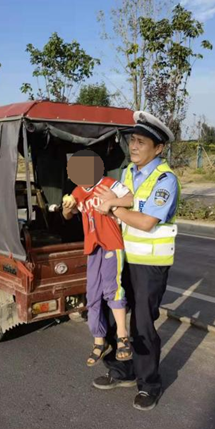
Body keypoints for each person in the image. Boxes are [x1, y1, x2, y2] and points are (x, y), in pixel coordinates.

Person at [92, 111, 180, 411]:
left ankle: (149, 384)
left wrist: (112, 210)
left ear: (159, 148)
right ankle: (122, 369)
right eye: (132, 140)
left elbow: (145, 222)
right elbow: (119, 196)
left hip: (150, 264)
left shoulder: (165, 180)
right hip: (123, 258)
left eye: (142, 142)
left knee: (142, 323)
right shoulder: (129, 171)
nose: (134, 146)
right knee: (117, 312)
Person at [62, 149, 134, 367]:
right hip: (92, 246)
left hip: (112, 242)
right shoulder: (76, 191)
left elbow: (130, 198)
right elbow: (68, 216)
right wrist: (68, 209)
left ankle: (122, 337)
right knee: (92, 294)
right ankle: (98, 339)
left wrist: (112, 202)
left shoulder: (109, 184)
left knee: (112, 289)